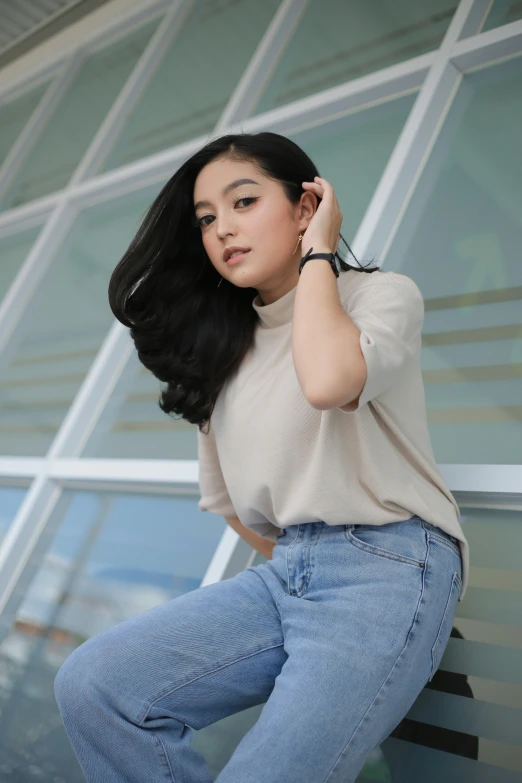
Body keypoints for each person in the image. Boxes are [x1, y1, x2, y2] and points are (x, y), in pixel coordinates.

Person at [54, 131, 469, 782]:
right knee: (97, 684)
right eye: (207, 219)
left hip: (387, 565)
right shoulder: (221, 353)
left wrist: (319, 254)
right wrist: (304, 558)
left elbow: (329, 382)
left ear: (306, 208)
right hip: (284, 575)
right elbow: (228, 503)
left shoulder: (379, 296)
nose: (222, 229)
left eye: (243, 202)